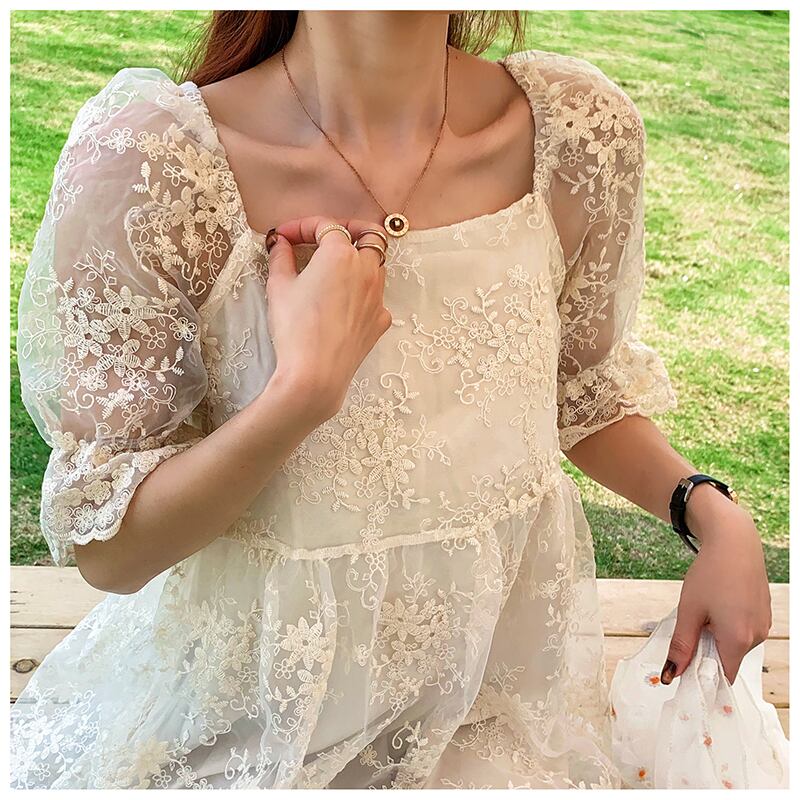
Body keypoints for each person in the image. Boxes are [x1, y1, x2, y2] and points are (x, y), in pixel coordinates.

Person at [11, 9, 775, 789]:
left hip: (495, 725)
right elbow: (111, 548)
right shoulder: (153, 163)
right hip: (244, 739)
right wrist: (302, 393)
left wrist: (711, 514)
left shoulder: (577, 135)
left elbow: (580, 390)